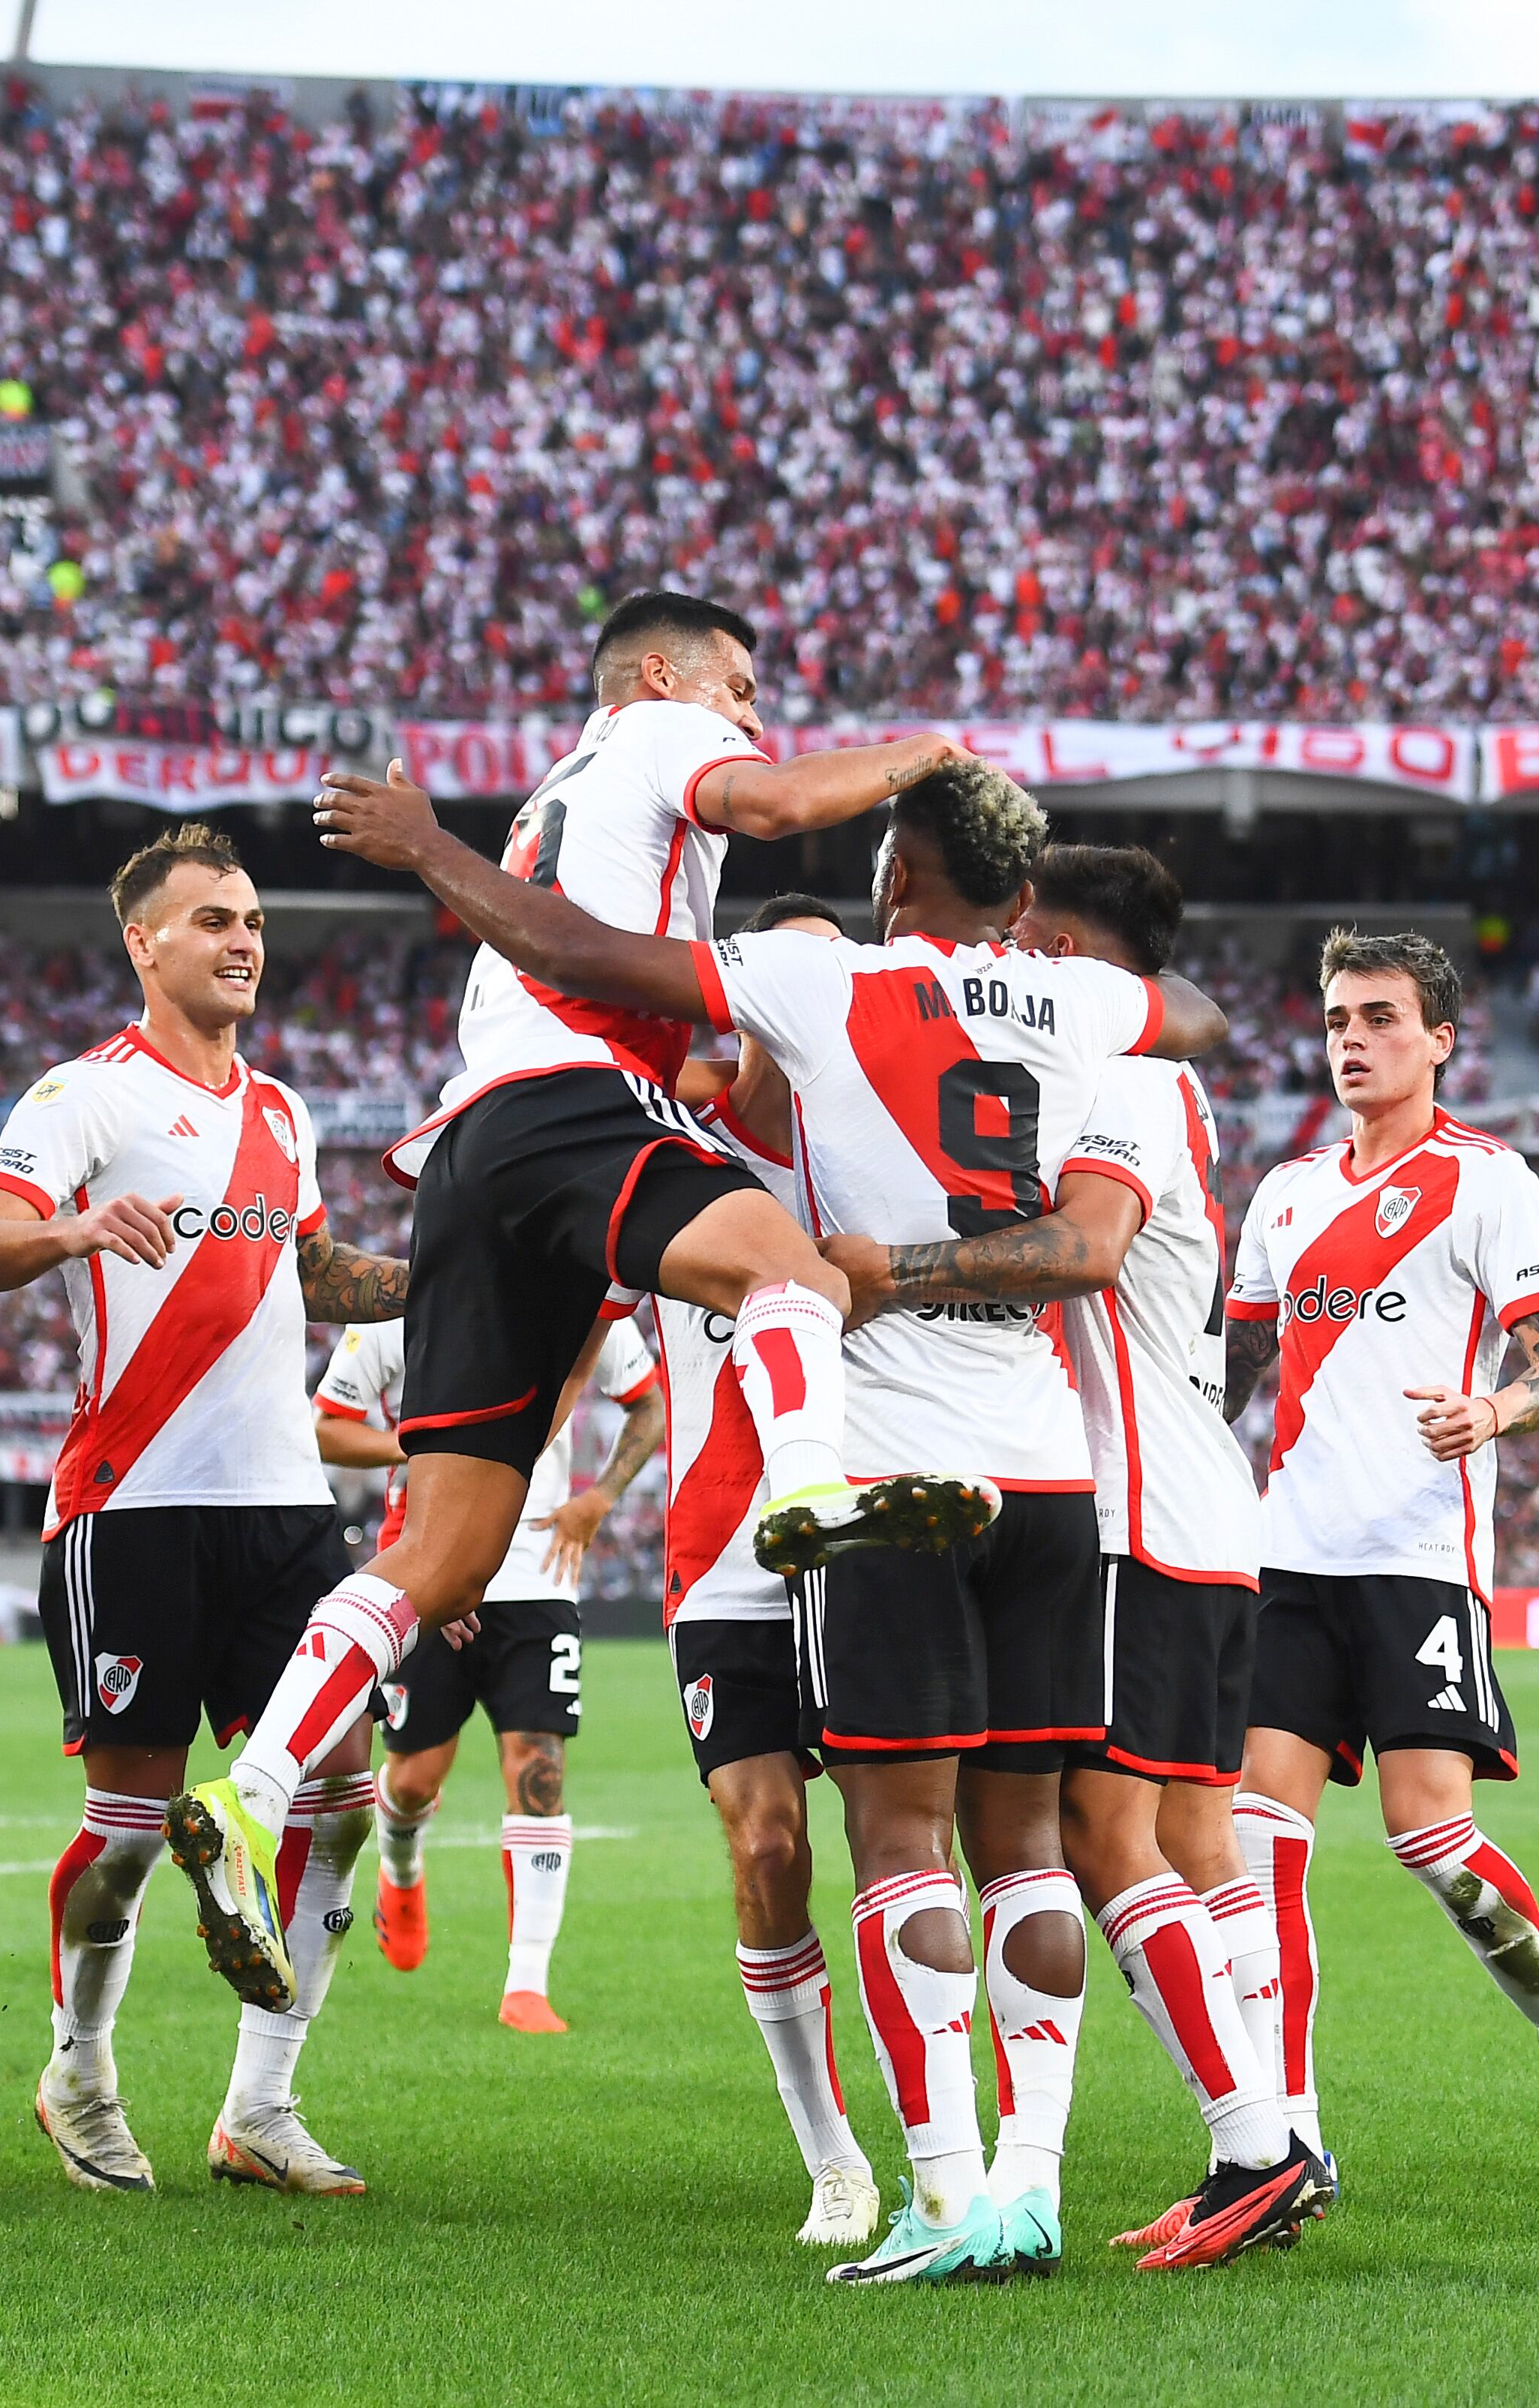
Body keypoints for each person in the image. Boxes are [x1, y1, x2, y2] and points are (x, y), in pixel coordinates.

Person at [314, 749, 1229, 2285]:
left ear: (893, 882)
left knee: (899, 1842)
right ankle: (1009, 2184)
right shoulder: (1054, 1007)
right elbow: (1188, 1014)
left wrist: (429, 850)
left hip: (878, 1484)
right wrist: (1045, 985)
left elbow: (581, 954)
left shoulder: (829, 999)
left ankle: (948, 2200)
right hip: (1017, 1474)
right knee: (1001, 1845)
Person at [167, 593, 1005, 2016]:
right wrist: (930, 747)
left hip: (471, 1147)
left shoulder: (558, 790)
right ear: (665, 675)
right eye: (742, 688)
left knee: (443, 1553)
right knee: (795, 1273)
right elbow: (783, 803)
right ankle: (810, 1487)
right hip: (574, 1100)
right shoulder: (658, 735)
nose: (753, 717)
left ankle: (250, 1790)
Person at [822, 845, 1314, 2269]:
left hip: (1133, 1514)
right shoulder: (1146, 1078)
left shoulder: (1124, 1081)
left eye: (1033, 942)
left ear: (1073, 955)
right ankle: (1261, 2143)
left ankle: (1256, 2145)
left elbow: (1081, 1248)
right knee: (1183, 1847)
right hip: (1185, 1507)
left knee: (1094, 1842)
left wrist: (890, 1272)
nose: (1009, 961)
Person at [0, 826, 412, 2199]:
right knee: (133, 1830)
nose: (243, 940)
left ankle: (260, 2107)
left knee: (343, 1796)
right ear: (143, 942)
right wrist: (72, 1229)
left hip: (283, 1508)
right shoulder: (86, 1096)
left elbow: (308, 1271)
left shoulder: (282, 1112)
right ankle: (79, 2072)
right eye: (212, 920)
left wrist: (448, 1275)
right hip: (133, 1507)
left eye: (251, 919)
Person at [1220, 928, 1539, 2186]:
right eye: (1337, 1019)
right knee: (1256, 1839)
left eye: (1380, 1018)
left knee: (1432, 1843)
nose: (1351, 1040)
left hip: (1417, 1556)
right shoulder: (1284, 1193)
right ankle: (1289, 2136)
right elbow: (1231, 1371)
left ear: (1439, 1039)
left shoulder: (1487, 1180)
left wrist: (1492, 1410)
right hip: (1289, 1559)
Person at [657, 890, 880, 2249]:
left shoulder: (883, 1150)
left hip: (870, 1540)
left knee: (909, 1842)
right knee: (767, 1843)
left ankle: (951, 2136)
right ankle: (831, 2158)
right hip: (724, 1558)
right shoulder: (667, 1149)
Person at [314, 1312, 661, 2033]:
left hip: (539, 1579)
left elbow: (648, 1404)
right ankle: (400, 1866)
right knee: (413, 1779)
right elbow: (327, 1428)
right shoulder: (401, 1305)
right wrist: (415, 1449)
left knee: (538, 1767)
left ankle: (526, 1983)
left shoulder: (577, 1295)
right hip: (427, 1571)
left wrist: (598, 1498)